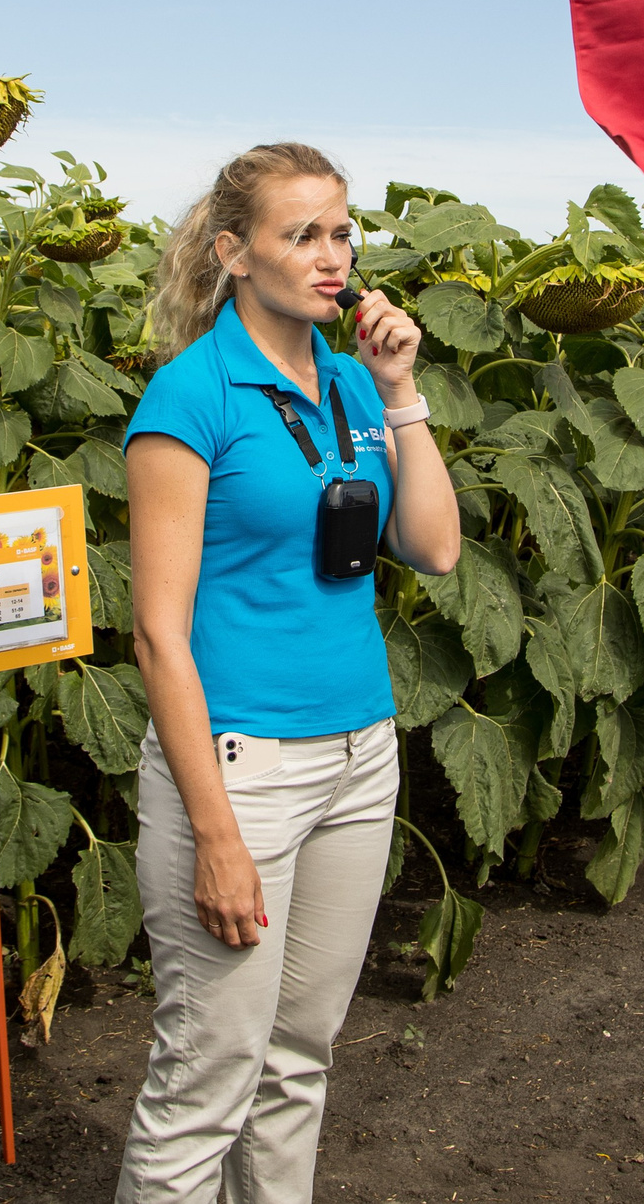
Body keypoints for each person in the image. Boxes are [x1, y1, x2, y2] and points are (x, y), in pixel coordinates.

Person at [115, 143, 461, 1204]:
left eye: (342, 232)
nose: (332, 257)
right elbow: (158, 638)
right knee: (204, 1081)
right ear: (234, 253)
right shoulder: (192, 399)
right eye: (300, 234)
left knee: (298, 1061)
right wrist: (214, 835)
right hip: (240, 770)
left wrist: (402, 392)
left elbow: (435, 548)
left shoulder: (356, 382)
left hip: (360, 756)